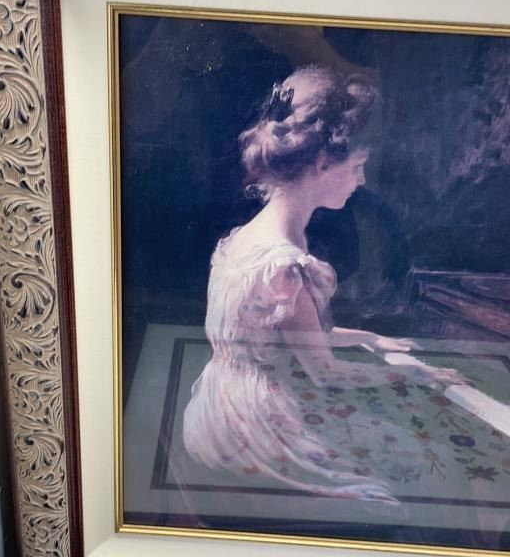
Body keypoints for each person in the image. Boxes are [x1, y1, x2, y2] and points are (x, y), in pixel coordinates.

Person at [182, 65, 509, 531]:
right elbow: (325, 372)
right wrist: (420, 375)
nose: (361, 179)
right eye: (356, 166)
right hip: (253, 424)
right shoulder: (286, 268)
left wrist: (373, 340)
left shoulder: (249, 237)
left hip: (223, 395)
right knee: (407, 485)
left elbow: (304, 334)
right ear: (322, 165)